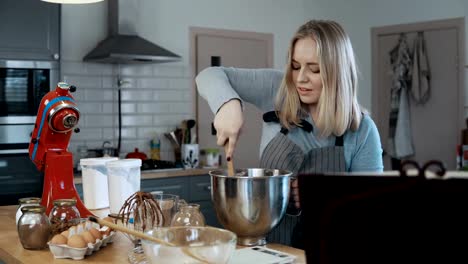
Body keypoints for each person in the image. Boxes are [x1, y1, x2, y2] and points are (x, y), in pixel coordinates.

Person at [195, 19, 384, 248]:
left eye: (314, 69)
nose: (301, 78)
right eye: (295, 66)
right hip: (266, 250)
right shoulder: (278, 88)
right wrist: (228, 104)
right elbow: (209, 75)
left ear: (338, 72)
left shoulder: (362, 131)